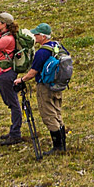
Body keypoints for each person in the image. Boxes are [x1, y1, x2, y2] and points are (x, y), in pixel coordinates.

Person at [0, 11, 34, 146]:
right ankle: (14, 131)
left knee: (13, 103)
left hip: (6, 73)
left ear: (4, 24)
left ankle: (15, 134)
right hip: (2, 73)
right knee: (10, 102)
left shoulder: (7, 39)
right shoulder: (2, 35)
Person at [20, 22, 69, 152]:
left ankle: (58, 147)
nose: (34, 37)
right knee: (57, 112)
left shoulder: (42, 51)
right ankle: (62, 143)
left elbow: (33, 72)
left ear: (42, 36)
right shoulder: (57, 46)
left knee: (48, 114)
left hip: (45, 87)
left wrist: (21, 80)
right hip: (58, 84)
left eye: (36, 35)